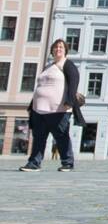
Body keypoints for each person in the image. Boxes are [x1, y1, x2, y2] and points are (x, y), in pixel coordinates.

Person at [18, 39, 85, 173]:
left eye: (61, 47)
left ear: (65, 50)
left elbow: (73, 83)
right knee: (39, 137)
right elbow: (40, 86)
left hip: (59, 109)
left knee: (61, 136)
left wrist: (69, 102)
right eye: (55, 47)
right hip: (39, 109)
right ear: (52, 50)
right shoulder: (48, 66)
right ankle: (34, 163)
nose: (58, 49)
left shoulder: (67, 65)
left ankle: (67, 163)